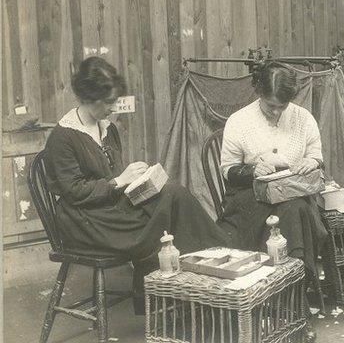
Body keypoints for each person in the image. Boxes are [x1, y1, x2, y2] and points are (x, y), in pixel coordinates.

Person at [44, 57, 232, 314]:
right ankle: (216, 272)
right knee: (169, 209)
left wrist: (137, 181)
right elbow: (74, 191)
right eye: (109, 102)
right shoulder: (63, 137)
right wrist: (120, 180)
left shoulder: (107, 129)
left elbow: (112, 177)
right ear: (88, 98)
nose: (114, 108)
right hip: (84, 220)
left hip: (107, 208)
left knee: (171, 193)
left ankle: (209, 275)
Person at [219, 62, 328, 275]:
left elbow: (317, 157)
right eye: (270, 105)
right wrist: (252, 171)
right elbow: (228, 169)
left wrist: (312, 162)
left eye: (283, 105)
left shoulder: (303, 118)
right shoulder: (238, 121)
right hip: (250, 194)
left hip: (293, 192)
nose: (276, 111)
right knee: (291, 212)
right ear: (259, 92)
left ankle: (292, 281)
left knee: (297, 209)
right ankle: (267, 281)